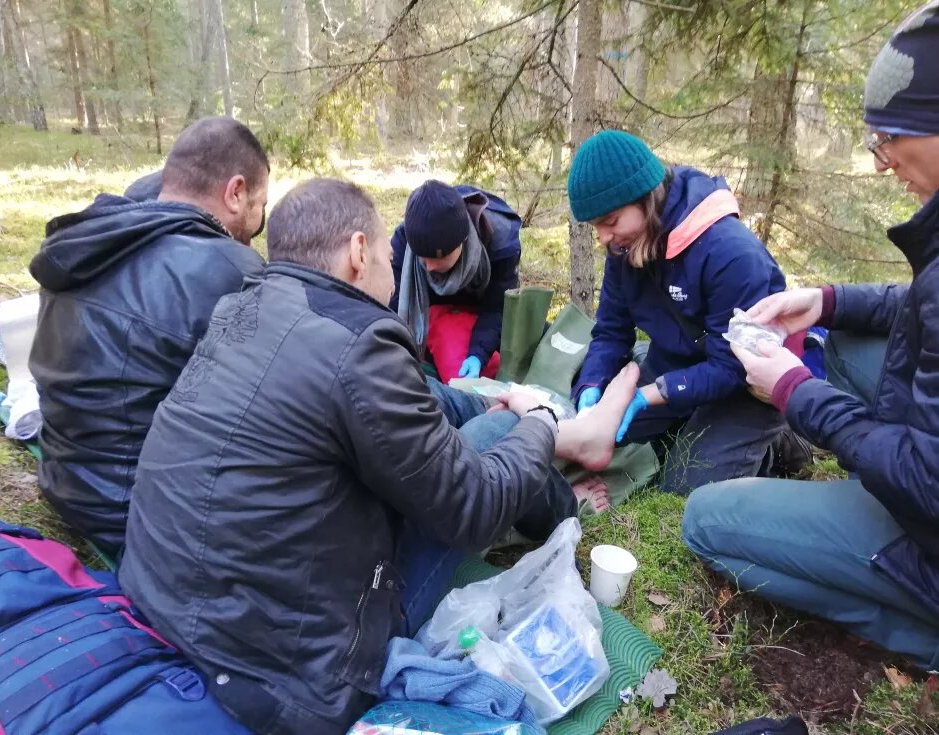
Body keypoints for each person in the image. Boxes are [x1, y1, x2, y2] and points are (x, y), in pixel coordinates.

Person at [119, 178, 637, 735]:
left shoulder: (241, 310)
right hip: (298, 675)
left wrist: (471, 402)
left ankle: (547, 450)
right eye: (392, 259)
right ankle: (566, 506)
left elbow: (407, 401)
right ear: (358, 252)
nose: (396, 274)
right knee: (502, 432)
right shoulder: (359, 344)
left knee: (479, 421)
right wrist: (536, 420)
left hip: (164, 604)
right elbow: (474, 507)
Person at [683, 0, 939, 673]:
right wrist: (822, 302)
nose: (883, 162)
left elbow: (926, 476)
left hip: (928, 524)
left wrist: (796, 390)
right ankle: (862, 502)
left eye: (890, 137)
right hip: (920, 473)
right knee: (855, 346)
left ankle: (915, 622)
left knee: (705, 520)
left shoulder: (722, 249)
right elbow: (918, 304)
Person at [29, 117, 269, 558]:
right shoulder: (229, 270)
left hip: (64, 480)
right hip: (137, 517)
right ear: (235, 192)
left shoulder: (91, 240)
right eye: (260, 208)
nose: (257, 228)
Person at [568, 130, 804, 495]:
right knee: (606, 435)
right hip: (676, 363)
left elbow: (732, 368)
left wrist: (650, 395)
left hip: (747, 383)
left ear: (645, 199)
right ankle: (689, 421)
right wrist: (591, 387)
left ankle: (780, 441)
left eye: (610, 221)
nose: (602, 237)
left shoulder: (730, 254)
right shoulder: (625, 248)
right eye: (595, 226)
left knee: (684, 484)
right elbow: (612, 332)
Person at [390, 180, 521, 382]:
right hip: (430, 316)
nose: (430, 267)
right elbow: (394, 303)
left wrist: (478, 354)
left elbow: (498, 308)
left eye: (439, 258)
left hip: (483, 313)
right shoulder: (407, 239)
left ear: (462, 241)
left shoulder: (500, 244)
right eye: (423, 259)